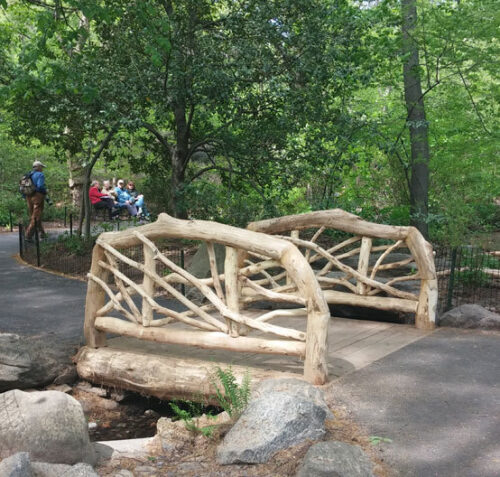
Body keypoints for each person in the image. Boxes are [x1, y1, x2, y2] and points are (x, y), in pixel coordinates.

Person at [25, 160, 49, 240]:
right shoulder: (40, 175)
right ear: (38, 167)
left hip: (28, 197)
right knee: (36, 217)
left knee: (34, 215)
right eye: (41, 167)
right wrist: (45, 191)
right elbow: (40, 186)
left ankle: (42, 233)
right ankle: (28, 235)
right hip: (37, 197)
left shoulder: (29, 174)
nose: (42, 169)